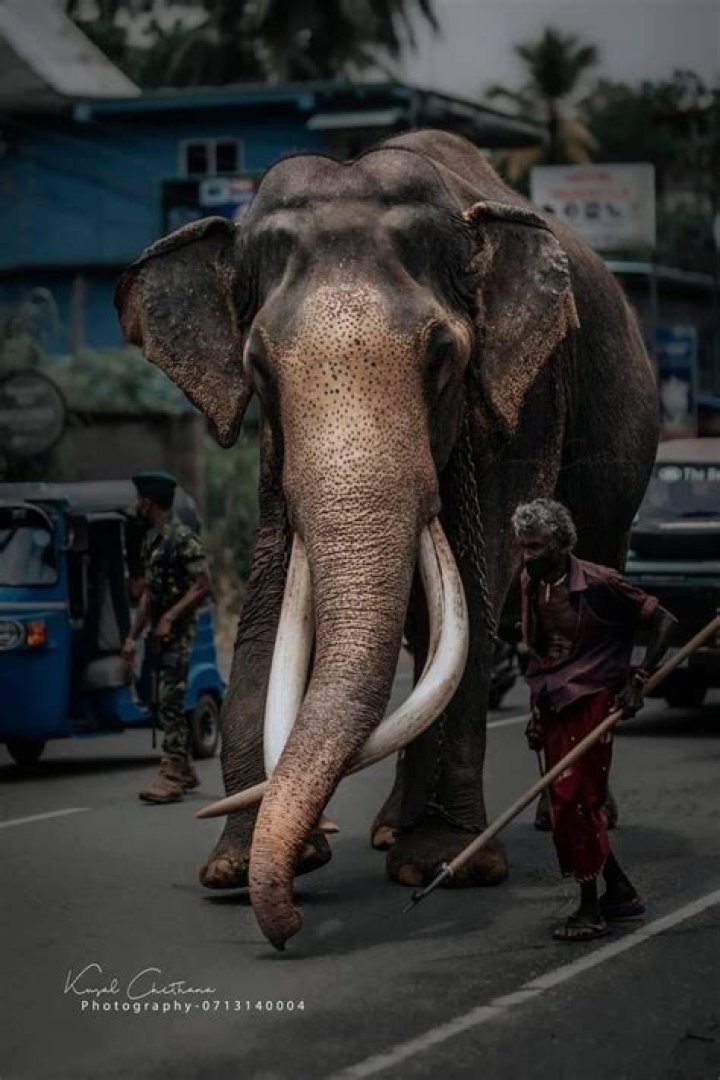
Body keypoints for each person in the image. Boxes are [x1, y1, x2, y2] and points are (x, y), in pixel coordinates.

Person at [512, 498, 677, 942]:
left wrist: (638, 680)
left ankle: (590, 909)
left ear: (562, 545)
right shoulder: (531, 581)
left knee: (574, 802)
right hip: (553, 700)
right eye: (523, 547)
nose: (527, 556)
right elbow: (540, 654)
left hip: (594, 698)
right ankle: (619, 892)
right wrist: (534, 713)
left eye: (536, 547)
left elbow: (664, 622)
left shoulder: (602, 582)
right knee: (569, 802)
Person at [122, 471, 212, 804]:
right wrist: (132, 636)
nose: (136, 505)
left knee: (171, 702)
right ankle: (184, 767)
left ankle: (172, 773)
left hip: (178, 635)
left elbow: (203, 585)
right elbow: (148, 595)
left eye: (140, 498)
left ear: (150, 501)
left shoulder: (183, 538)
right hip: (158, 636)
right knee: (160, 701)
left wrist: (171, 617)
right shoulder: (151, 541)